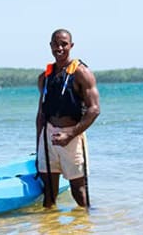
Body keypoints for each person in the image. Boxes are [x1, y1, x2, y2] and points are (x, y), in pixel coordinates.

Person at [36, 29, 100, 208]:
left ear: (71, 46)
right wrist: (38, 144)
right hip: (48, 137)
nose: (59, 48)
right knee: (48, 194)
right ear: (50, 46)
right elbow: (41, 114)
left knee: (79, 193)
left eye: (64, 44)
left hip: (72, 136)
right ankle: (50, 228)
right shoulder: (45, 77)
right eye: (56, 44)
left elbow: (94, 110)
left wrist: (70, 134)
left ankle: (87, 226)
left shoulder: (82, 72)